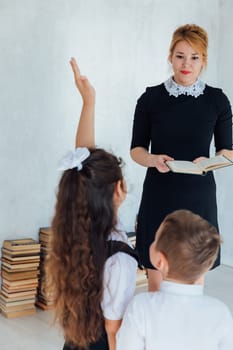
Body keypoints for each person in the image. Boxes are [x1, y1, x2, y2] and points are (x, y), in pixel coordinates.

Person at [130, 23, 233, 291]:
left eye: (194, 57)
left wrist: (208, 162)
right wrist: (153, 160)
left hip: (198, 195)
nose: (186, 64)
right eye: (180, 56)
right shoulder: (150, 98)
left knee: (193, 272)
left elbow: (228, 152)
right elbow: (136, 149)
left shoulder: (217, 100)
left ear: (203, 61)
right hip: (159, 192)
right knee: (156, 272)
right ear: (170, 57)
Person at [46, 58, 138, 350]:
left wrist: (89, 103)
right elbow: (114, 332)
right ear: (117, 190)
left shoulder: (75, 229)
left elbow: (83, 166)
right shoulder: (120, 258)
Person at [117, 209, 233, 350]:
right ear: (207, 264)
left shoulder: (140, 307)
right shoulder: (220, 313)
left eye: (155, 239)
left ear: (160, 261)